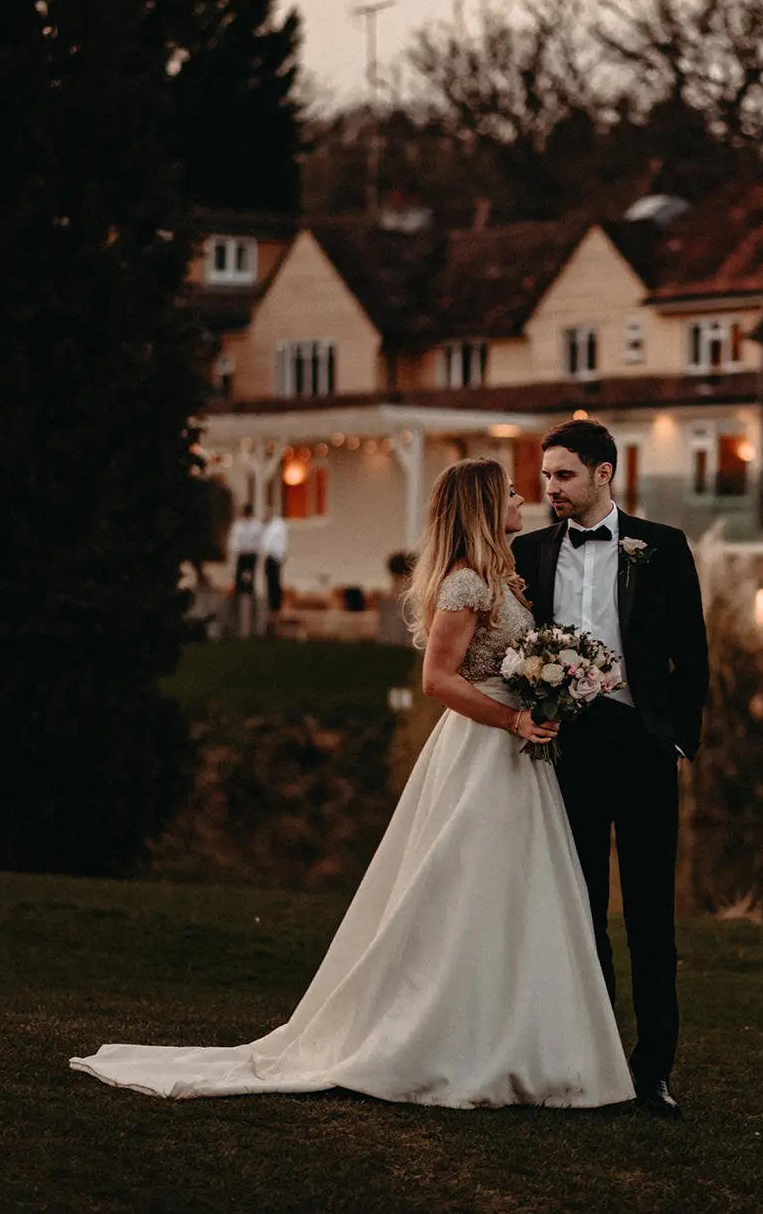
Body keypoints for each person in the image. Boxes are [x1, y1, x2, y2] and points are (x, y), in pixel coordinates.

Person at [69, 459, 632, 1109]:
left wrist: (547, 693)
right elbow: (438, 680)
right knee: (465, 887)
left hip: (515, 753)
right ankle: (451, 1038)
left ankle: (517, 1039)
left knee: (515, 891)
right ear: (481, 505)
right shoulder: (464, 584)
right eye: (508, 491)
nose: (521, 498)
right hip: (481, 748)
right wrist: (512, 715)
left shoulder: (500, 579)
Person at [511, 418, 709, 1119]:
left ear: (604, 474)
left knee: (652, 916)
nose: (551, 488)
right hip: (570, 751)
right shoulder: (527, 552)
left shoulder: (662, 546)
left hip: (647, 749)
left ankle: (652, 1071)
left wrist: (680, 740)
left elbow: (693, 653)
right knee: (581, 911)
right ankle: (593, 1064)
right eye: (546, 477)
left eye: (564, 475)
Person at [228, 504, 262, 638]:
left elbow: (257, 545)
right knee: (241, 591)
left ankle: (248, 628)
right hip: (242, 558)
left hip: (249, 558)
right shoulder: (238, 526)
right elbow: (234, 545)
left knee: (247, 591)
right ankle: (242, 627)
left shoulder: (254, 526)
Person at [259, 510, 288, 636]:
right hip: (272, 559)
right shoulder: (273, 527)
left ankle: (274, 619)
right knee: (272, 588)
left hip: (274, 559)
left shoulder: (276, 527)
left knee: (273, 587)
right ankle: (272, 617)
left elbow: (274, 545)